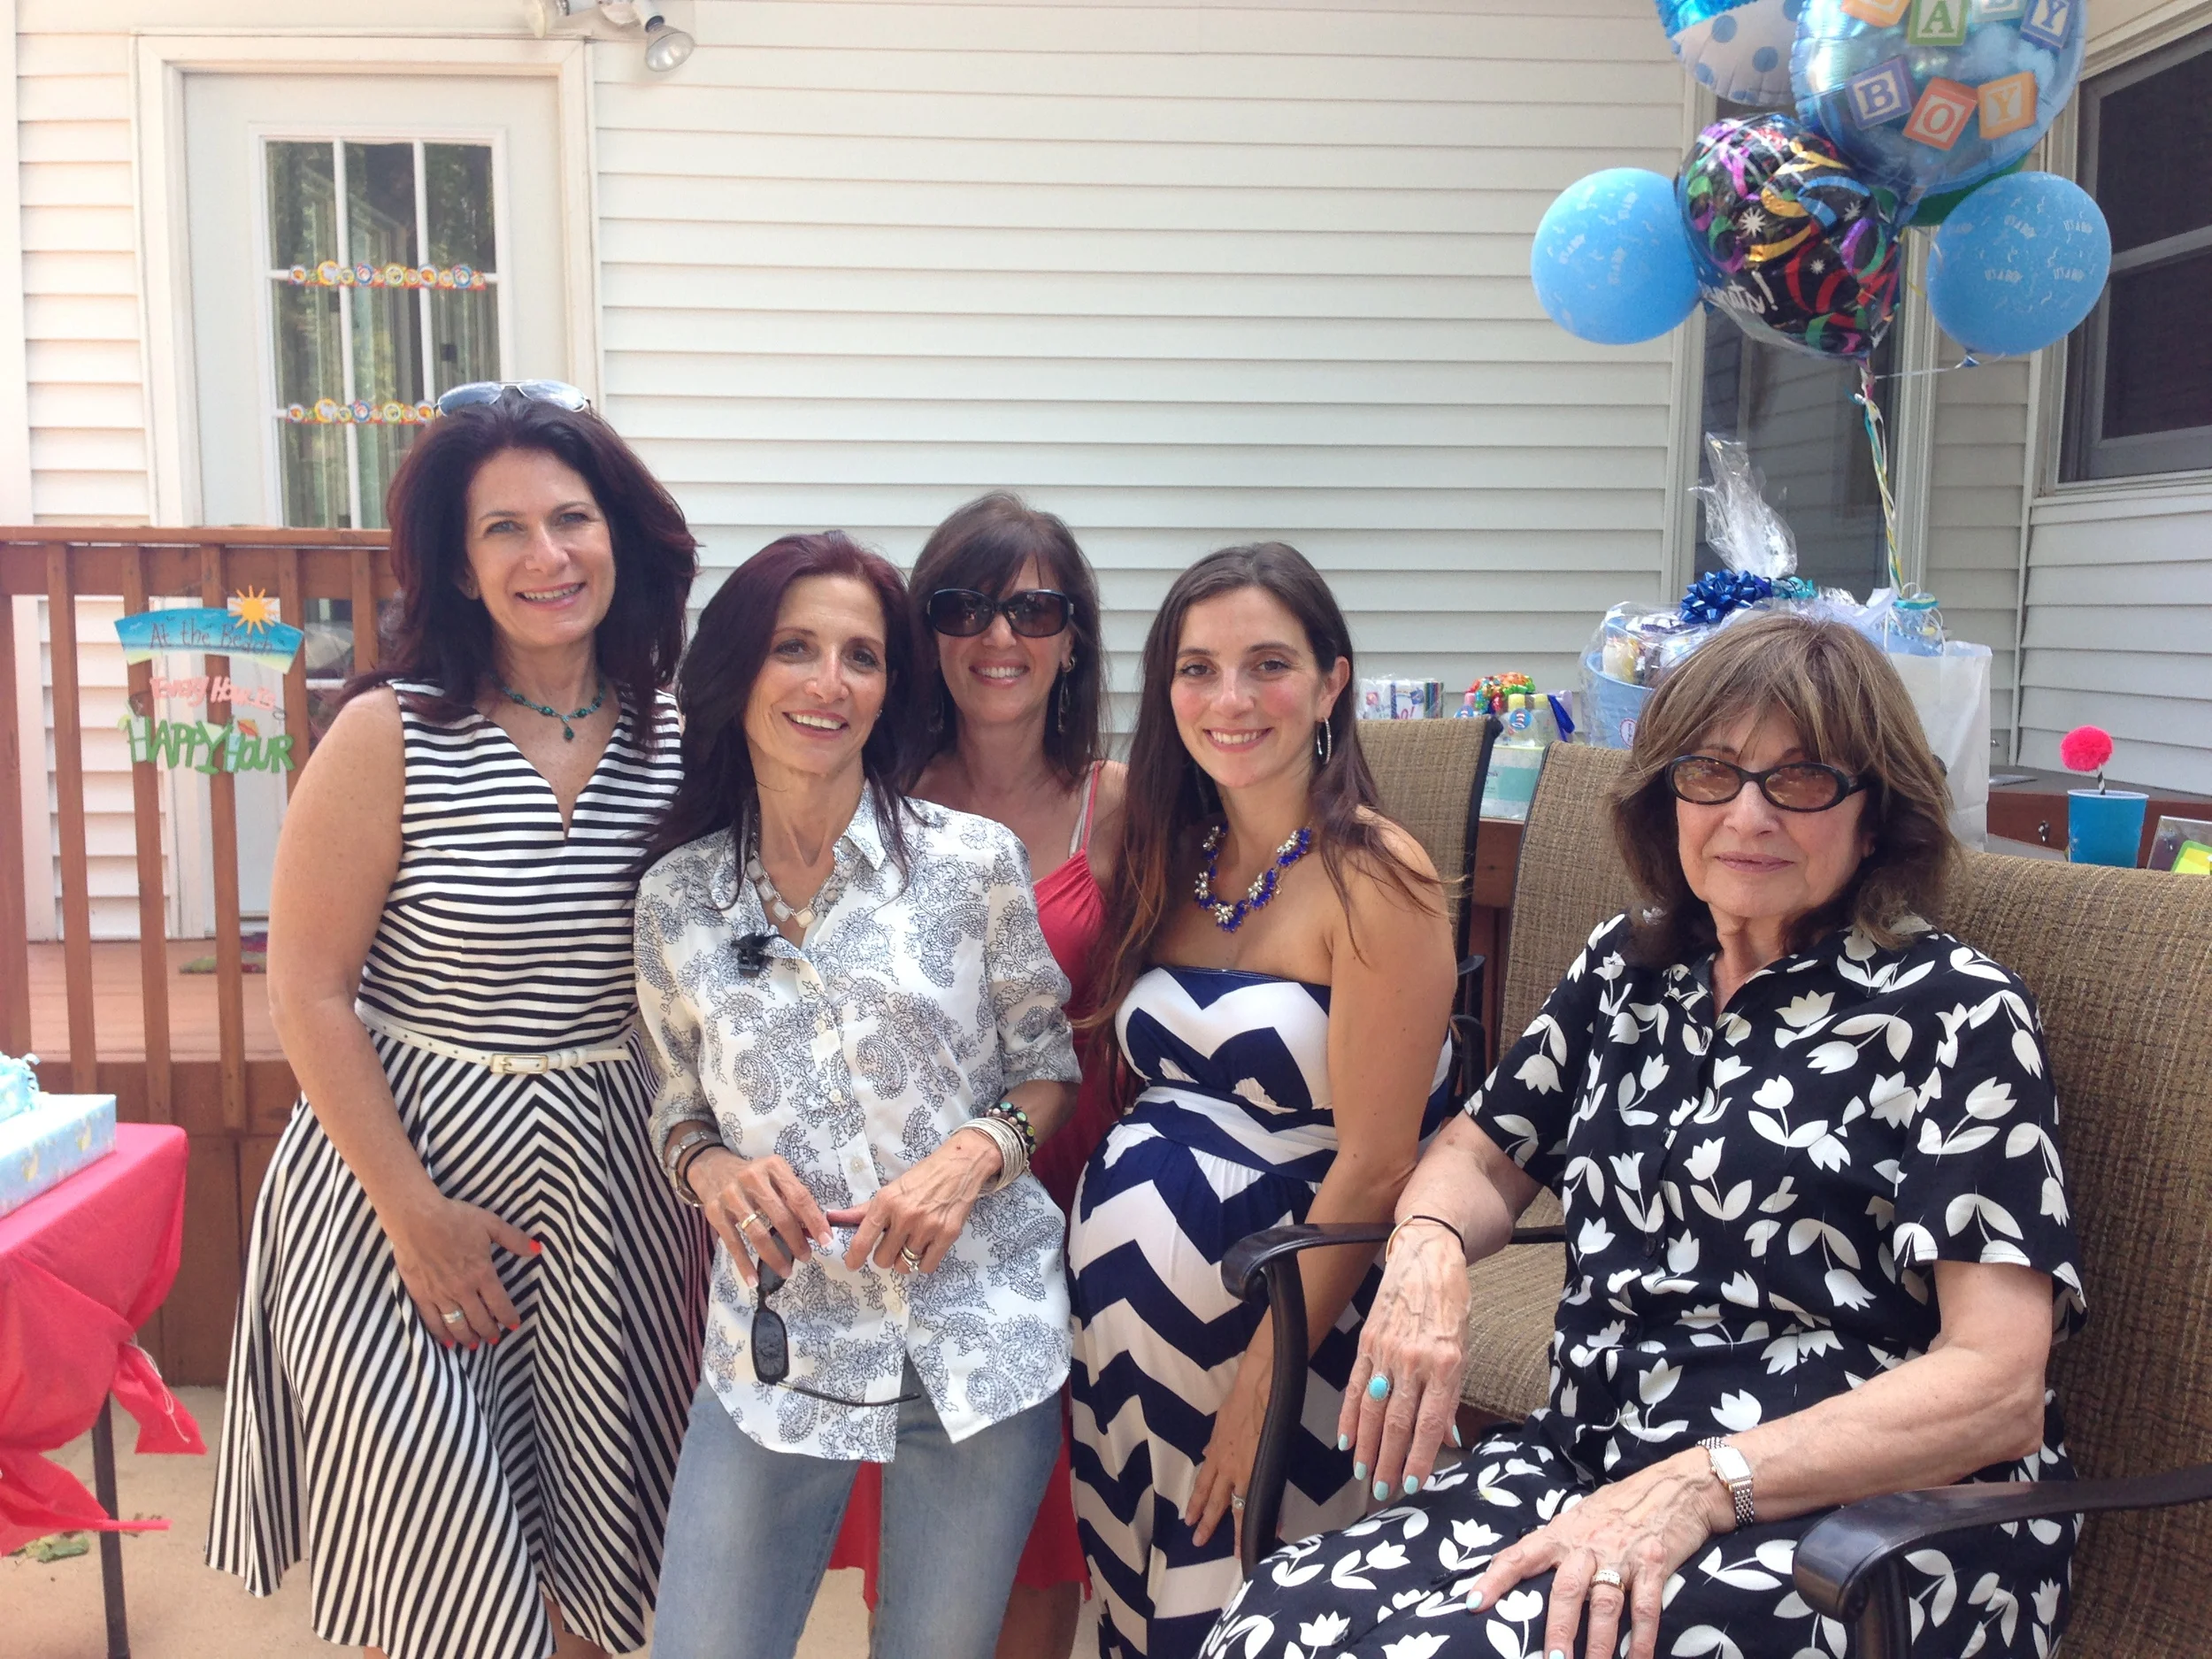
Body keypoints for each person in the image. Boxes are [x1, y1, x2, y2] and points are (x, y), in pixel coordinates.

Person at [1205, 612, 2085, 1659]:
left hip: (1861, 1526)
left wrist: (1705, 1481)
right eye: (1710, 773)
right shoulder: (1630, 969)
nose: (1747, 814)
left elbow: (1995, 1385)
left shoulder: (1954, 1013)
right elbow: (1480, 1153)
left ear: (1875, 814)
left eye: (1801, 779)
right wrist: (1426, 1248)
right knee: (1269, 1622)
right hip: (1599, 1461)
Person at [208, 383, 710, 1659]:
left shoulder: (685, 737)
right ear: (457, 563)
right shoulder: (388, 732)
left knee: (597, 1571)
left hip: (610, 1198)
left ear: (620, 536)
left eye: (571, 519)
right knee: (436, 1575)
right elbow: (307, 986)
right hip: (395, 1186)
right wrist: (413, 1213)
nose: (547, 555)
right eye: (504, 529)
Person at [635, 532, 1085, 1659]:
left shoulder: (973, 863)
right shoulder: (677, 898)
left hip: (976, 1329)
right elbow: (676, 1104)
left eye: (861, 656)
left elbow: (1048, 1065)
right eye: (794, 648)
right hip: (780, 1336)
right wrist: (712, 1170)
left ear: (890, 690)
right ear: (738, 671)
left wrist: (970, 1157)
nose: (828, 683)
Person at [1067, 543, 1461, 1659]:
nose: (1229, 699)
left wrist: (1262, 1387)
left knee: (1255, 1602)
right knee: (1138, 1592)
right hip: (1125, 1331)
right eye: (1197, 669)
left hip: (1286, 1320)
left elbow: (1376, 1166)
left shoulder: (1377, 873)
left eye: (1268, 666)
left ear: (1332, 684)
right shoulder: (1172, 856)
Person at [825, 493, 1125, 1658]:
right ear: (927, 633)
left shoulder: (1124, 802)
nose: (1000, 637)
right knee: (918, 1539)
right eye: (964, 607)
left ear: (1071, 637)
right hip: (917, 1206)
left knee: (1043, 1535)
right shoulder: (872, 796)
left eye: (1034, 610)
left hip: (1075, 1191)